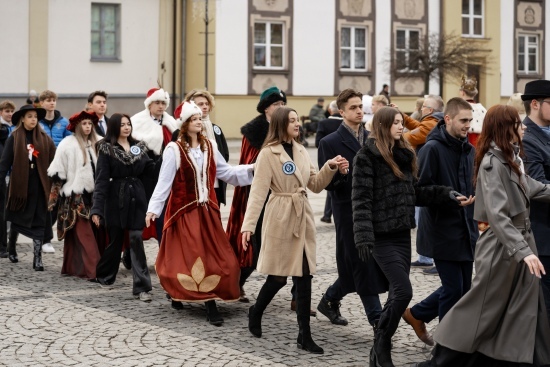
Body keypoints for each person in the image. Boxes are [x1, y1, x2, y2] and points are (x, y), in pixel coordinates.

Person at [413, 105, 550, 367]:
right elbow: (498, 216)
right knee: (481, 308)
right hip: (502, 248)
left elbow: (536, 188)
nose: (522, 128)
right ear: (505, 128)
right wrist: (524, 251)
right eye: (517, 124)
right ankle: (438, 362)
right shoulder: (491, 162)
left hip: (517, 245)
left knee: (520, 308)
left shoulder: (509, 159)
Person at [352, 106, 467, 367]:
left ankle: (378, 349)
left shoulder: (404, 154)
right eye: (394, 123)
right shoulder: (366, 157)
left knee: (396, 293)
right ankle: (382, 344)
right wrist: (363, 237)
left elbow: (417, 193)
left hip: (402, 235)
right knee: (404, 291)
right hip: (380, 237)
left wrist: (447, 195)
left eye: (400, 122)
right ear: (382, 126)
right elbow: (360, 200)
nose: (400, 127)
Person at [242, 107, 348, 354]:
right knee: (278, 277)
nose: (297, 124)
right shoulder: (268, 153)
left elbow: (315, 184)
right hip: (280, 215)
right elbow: (257, 193)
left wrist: (330, 167)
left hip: (302, 218)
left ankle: (305, 335)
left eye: (298, 120)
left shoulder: (301, 150)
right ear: (281, 124)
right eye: (292, 121)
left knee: (304, 276)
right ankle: (256, 311)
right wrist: (248, 226)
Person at [146, 101, 254, 325]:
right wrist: (153, 209)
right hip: (184, 212)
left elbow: (228, 173)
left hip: (208, 212)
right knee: (194, 257)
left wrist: (254, 168)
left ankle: (201, 294)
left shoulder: (209, 147)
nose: (199, 122)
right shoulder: (174, 150)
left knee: (220, 256)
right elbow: (163, 183)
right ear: (185, 124)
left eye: (200, 119)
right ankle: (208, 303)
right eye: (194, 119)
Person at [402, 98, 477, 346]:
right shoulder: (431, 149)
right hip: (441, 230)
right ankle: (445, 348)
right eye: (463, 120)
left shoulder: (469, 149)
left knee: (463, 290)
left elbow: (470, 185)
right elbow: (418, 192)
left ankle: (417, 314)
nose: (469, 125)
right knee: (454, 290)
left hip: (466, 228)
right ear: (448, 119)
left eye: (470, 120)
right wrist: (449, 196)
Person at [317, 89, 386, 328]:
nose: (359, 111)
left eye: (360, 107)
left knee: (355, 268)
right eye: (354, 108)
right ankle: (377, 320)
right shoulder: (330, 142)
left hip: (373, 210)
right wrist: (341, 174)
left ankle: (329, 300)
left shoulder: (372, 138)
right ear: (342, 111)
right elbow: (328, 184)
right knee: (362, 263)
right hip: (348, 212)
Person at [225, 86, 287, 303]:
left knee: (290, 245)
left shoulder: (288, 127)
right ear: (266, 109)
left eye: (282, 104)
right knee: (254, 244)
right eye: (276, 105)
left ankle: (298, 296)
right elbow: (249, 165)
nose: (280, 108)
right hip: (258, 194)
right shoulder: (254, 132)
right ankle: (237, 282)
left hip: (284, 195)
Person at [91, 113, 154, 302]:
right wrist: (97, 209)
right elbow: (101, 180)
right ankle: (105, 274)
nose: (127, 127)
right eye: (122, 125)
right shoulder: (106, 149)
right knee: (115, 241)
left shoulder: (139, 147)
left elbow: (151, 169)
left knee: (135, 238)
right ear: (114, 127)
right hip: (115, 199)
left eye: (129, 124)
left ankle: (142, 287)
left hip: (137, 197)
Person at [0, 105, 56, 271]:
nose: (33, 119)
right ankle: (12, 247)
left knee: (39, 222)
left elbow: (55, 159)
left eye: (35, 117)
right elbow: (4, 163)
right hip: (20, 188)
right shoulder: (15, 138)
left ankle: (37, 258)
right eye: (29, 116)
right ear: (22, 119)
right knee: (17, 220)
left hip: (40, 188)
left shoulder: (45, 138)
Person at [47, 111, 100, 279]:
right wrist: (53, 199)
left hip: (93, 196)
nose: (87, 127)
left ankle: (72, 267)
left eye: (90, 124)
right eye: (84, 124)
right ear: (77, 126)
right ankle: (95, 270)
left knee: (81, 234)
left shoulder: (97, 143)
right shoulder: (67, 144)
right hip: (74, 197)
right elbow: (58, 172)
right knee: (84, 233)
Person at [521, 79, 550, 324]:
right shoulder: (527, 138)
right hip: (542, 236)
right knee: (545, 305)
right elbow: (536, 188)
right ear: (535, 104)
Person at [181, 89, 230, 205]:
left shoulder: (215, 129)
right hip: (193, 186)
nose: (205, 107)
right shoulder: (182, 130)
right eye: (200, 104)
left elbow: (224, 154)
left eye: (207, 104)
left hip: (215, 183)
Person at [39, 89, 71, 254]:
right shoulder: (37, 121)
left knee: (56, 202)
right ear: (42, 103)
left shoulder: (64, 122)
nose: (51, 103)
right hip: (42, 167)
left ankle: (44, 235)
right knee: (45, 202)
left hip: (60, 167)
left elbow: (70, 141)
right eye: (48, 100)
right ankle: (45, 239)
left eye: (53, 100)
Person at [315, 100, 343, 224]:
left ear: (330, 110)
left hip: (328, 158)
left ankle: (327, 214)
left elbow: (317, 142)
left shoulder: (323, 123)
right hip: (344, 158)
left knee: (330, 184)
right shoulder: (345, 123)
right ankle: (328, 214)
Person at [0, 100, 16, 258]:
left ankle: (8, 238)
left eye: (12, 111)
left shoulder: (14, 127)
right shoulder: (4, 130)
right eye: (7, 111)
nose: (10, 114)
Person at [459, 76, 486, 147]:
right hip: (480, 147)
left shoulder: (459, 108)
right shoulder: (483, 109)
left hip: (465, 145)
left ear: (462, 92)